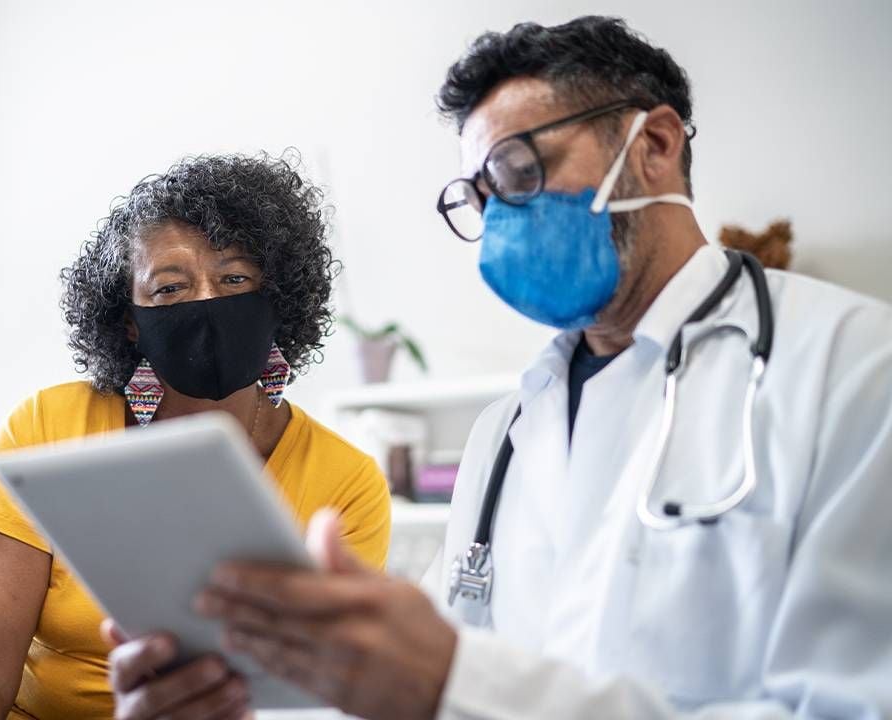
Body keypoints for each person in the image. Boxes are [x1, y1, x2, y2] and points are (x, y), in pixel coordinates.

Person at [107, 16, 892, 719]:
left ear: (654, 146)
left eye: (519, 172)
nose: (500, 218)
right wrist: (240, 700)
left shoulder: (854, 370)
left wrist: (451, 682)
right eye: (480, 194)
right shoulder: (505, 436)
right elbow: (446, 689)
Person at [0, 153, 392, 719]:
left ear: (278, 302)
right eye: (169, 289)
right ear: (130, 320)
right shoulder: (49, 427)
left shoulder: (347, 483)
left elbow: (313, 701)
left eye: (234, 278)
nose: (207, 302)